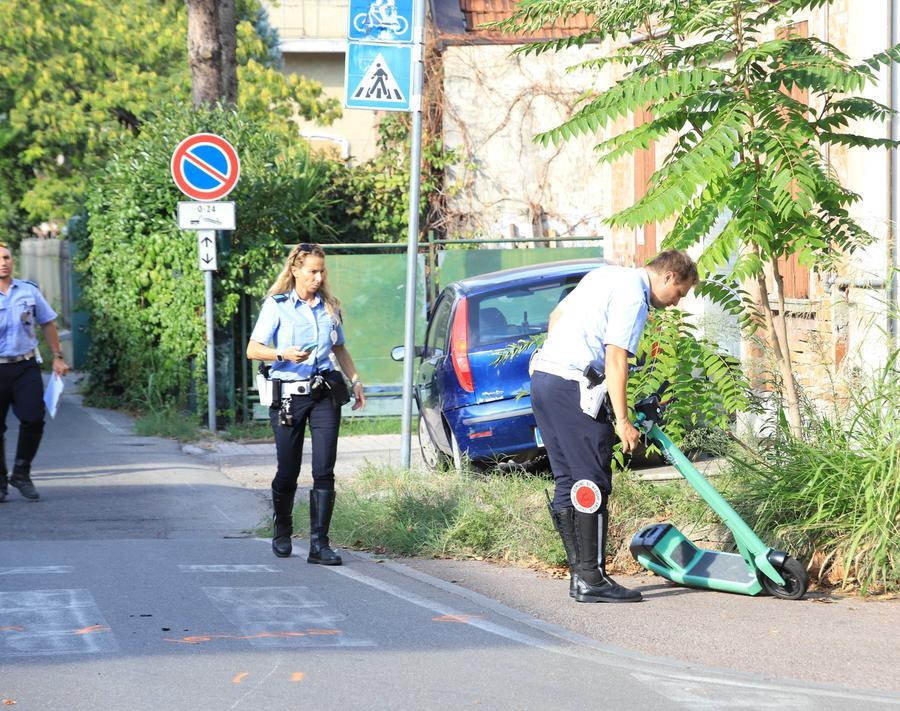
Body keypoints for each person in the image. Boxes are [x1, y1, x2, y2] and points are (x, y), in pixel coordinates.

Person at [530, 250, 698, 603]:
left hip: (545, 377)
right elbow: (616, 356)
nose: (675, 303)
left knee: (568, 480)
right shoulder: (633, 296)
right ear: (669, 276)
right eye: (679, 293)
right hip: (573, 386)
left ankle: (581, 576)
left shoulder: (604, 275)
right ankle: (593, 578)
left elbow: (555, 316)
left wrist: (564, 358)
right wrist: (622, 421)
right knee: (592, 479)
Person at [246, 243, 366, 564]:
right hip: (289, 395)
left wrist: (355, 381)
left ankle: (319, 544)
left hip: (325, 392)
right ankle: (282, 528)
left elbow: (339, 349)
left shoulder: (329, 307)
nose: (318, 276)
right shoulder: (277, 305)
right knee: (288, 470)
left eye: (321, 270)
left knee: (324, 469)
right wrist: (282, 354)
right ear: (295, 270)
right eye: (312, 270)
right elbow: (253, 349)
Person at [0, 244, 70, 503]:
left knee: (33, 418)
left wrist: (58, 357)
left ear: (13, 260)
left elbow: (47, 323)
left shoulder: (28, 291)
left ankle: (21, 473)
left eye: (6, 258)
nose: (3, 263)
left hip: (25, 365)